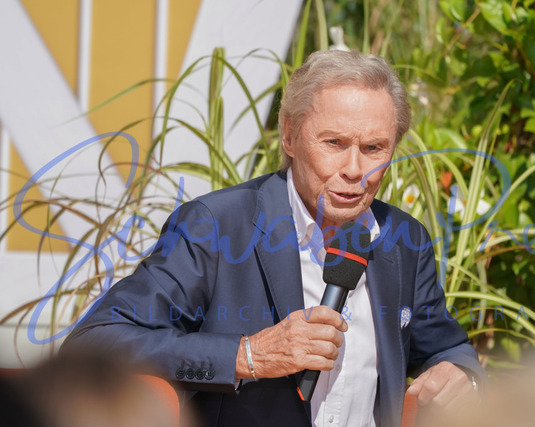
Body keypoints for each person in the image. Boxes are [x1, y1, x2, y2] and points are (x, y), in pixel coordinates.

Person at [63, 50, 485, 426]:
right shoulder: (216, 225)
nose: (355, 170)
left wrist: (460, 373)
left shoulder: (402, 238)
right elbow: (94, 342)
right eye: (334, 142)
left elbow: (447, 348)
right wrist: (248, 356)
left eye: (374, 148)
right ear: (289, 135)